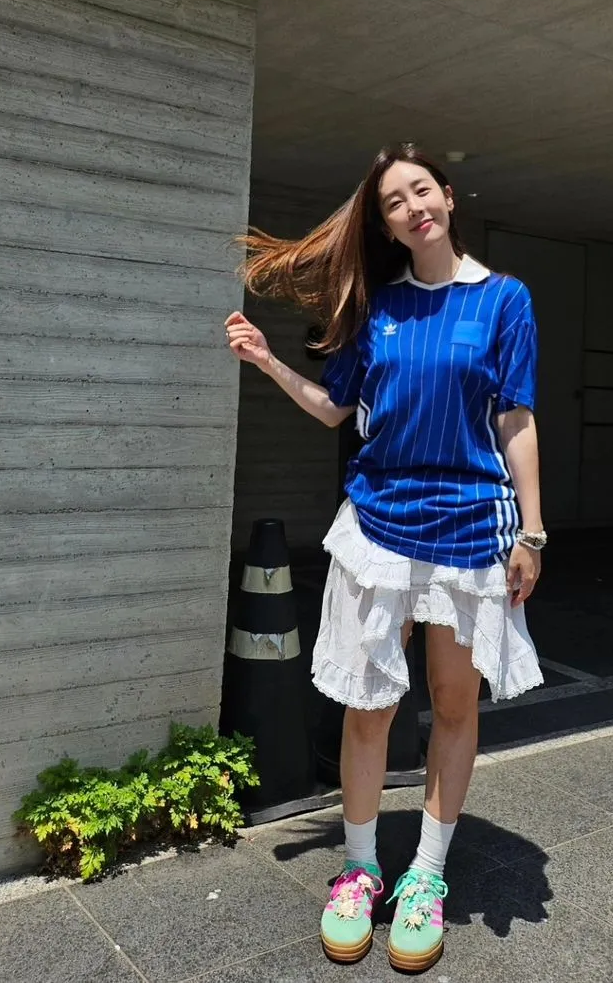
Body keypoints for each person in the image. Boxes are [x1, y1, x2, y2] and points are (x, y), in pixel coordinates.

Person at [225, 143, 545, 973]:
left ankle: (426, 875)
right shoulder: (380, 308)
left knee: (455, 704)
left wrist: (532, 531)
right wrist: (267, 361)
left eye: (421, 190)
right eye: (394, 202)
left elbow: (515, 419)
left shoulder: (504, 300)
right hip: (379, 528)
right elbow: (336, 409)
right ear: (388, 225)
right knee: (369, 708)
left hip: (471, 531)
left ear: (449, 197)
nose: (412, 207)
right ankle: (360, 869)